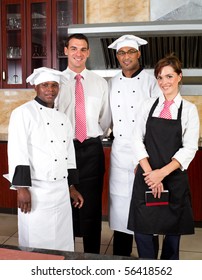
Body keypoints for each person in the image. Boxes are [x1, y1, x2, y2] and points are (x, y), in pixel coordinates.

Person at [127, 54, 200, 259]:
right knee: (143, 230)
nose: (164, 82)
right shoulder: (148, 105)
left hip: (173, 179)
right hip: (147, 177)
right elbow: (136, 139)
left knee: (172, 233)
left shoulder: (189, 110)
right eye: (160, 77)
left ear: (179, 76)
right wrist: (151, 174)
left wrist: (162, 173)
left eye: (169, 76)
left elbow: (189, 148)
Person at [7, 67, 83, 252]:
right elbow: (18, 151)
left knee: (62, 240)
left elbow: (69, 154)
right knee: (36, 242)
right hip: (36, 190)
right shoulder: (23, 113)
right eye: (45, 85)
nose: (50, 89)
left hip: (60, 190)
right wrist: (22, 189)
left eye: (54, 85)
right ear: (36, 88)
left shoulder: (63, 118)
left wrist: (71, 187)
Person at [55, 33, 111, 254]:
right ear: (66, 51)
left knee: (91, 205)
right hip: (62, 148)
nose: (78, 53)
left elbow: (106, 118)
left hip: (91, 149)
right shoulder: (55, 82)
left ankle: (92, 256)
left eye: (83, 49)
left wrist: (91, 134)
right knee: (64, 204)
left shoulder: (100, 83)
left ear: (88, 52)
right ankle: (65, 254)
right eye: (74, 48)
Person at [107, 34, 162, 257]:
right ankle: (121, 260)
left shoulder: (152, 82)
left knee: (148, 210)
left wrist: (147, 160)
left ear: (139, 54)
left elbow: (158, 123)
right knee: (120, 210)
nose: (126, 56)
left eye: (130, 52)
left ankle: (150, 263)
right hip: (120, 154)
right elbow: (105, 118)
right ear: (117, 56)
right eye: (122, 52)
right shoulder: (111, 83)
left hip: (146, 156)